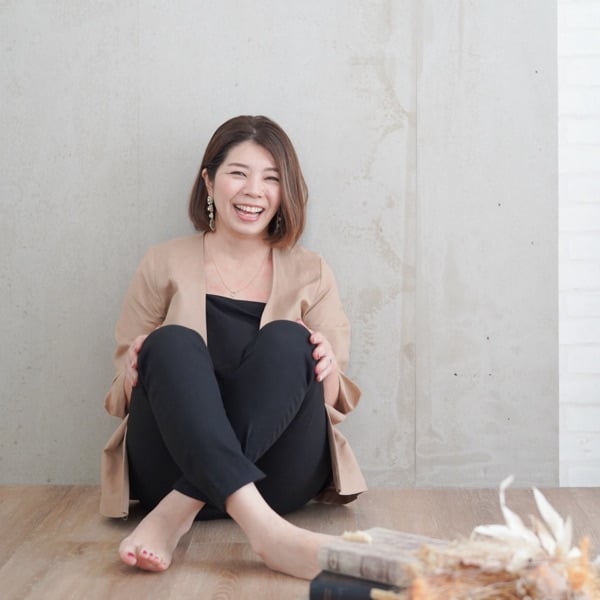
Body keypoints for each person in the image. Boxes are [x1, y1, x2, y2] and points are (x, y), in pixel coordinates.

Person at [100, 115, 367, 579]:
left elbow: (331, 405)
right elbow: (120, 397)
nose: (253, 191)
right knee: (170, 343)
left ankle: (173, 514)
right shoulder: (162, 262)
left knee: (291, 339)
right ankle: (268, 534)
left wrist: (321, 364)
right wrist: (136, 368)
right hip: (168, 461)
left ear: (285, 191)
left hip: (277, 476)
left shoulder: (312, 271)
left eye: (271, 178)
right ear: (208, 181)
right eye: (238, 173)